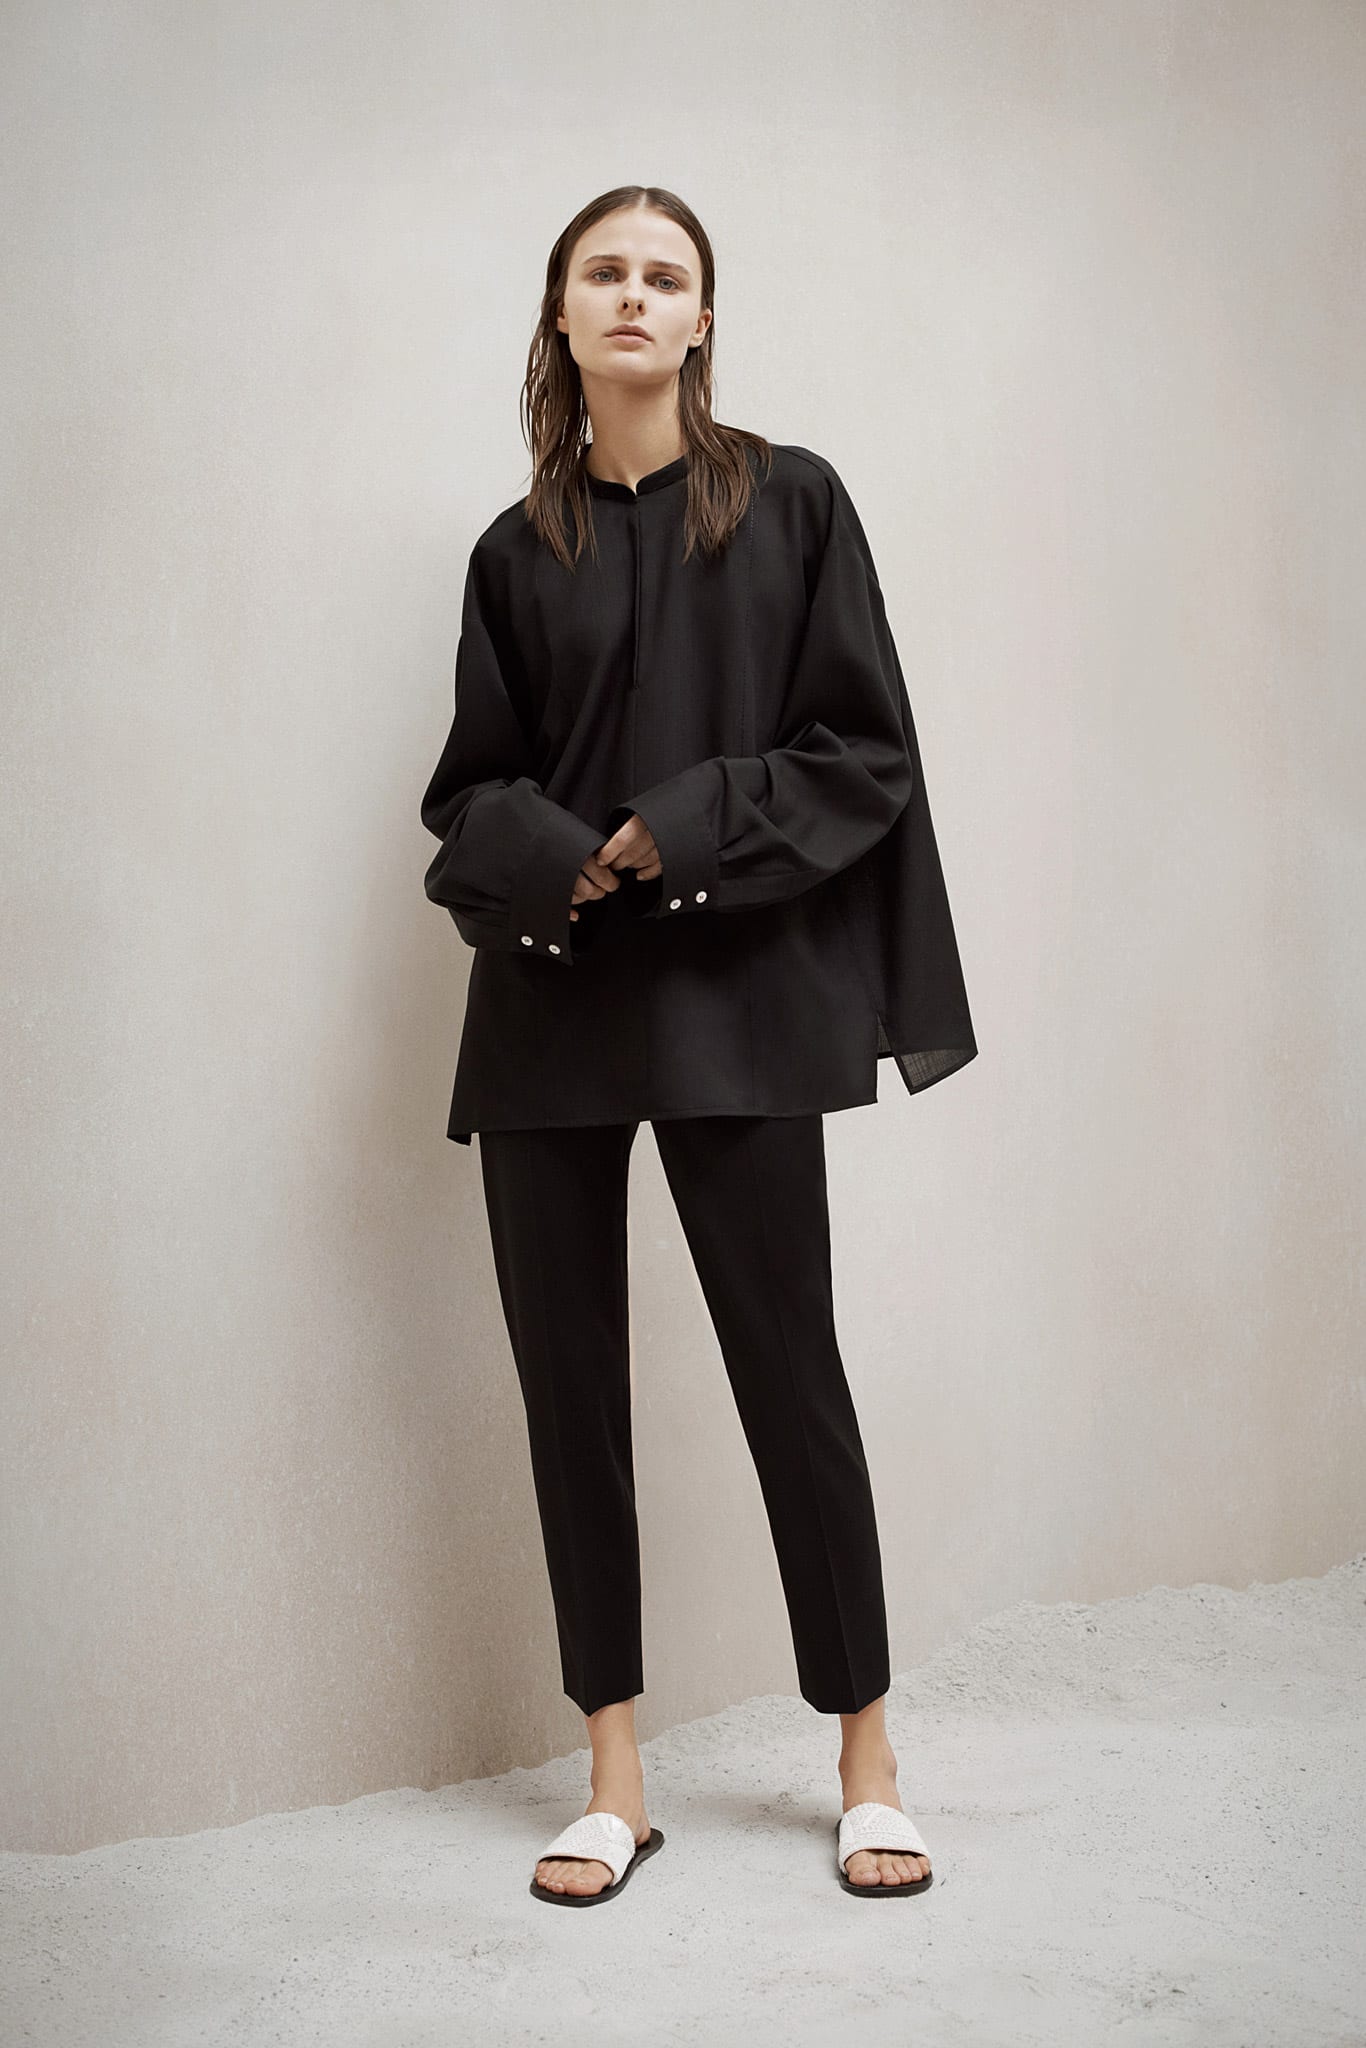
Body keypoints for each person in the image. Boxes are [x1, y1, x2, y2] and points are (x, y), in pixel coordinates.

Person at [419, 185, 977, 1905]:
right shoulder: (514, 552)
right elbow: (466, 794)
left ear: (703, 320)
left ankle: (866, 1761)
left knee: (788, 1373)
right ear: (561, 312)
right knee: (568, 1393)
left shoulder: (792, 502)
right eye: (606, 272)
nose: (635, 297)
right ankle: (612, 1776)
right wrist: (561, 856)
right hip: (554, 1007)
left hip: (738, 996)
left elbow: (863, 754)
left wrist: (678, 825)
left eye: (666, 277)